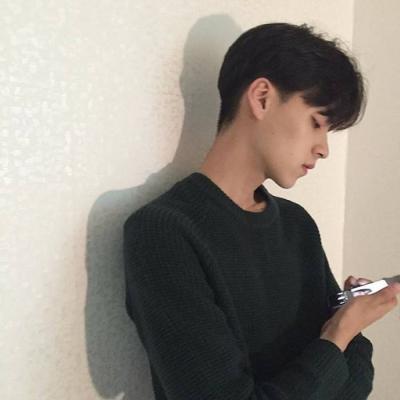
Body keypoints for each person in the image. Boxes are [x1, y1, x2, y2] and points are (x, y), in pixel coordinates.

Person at [123, 22, 400, 399]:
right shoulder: (164, 232)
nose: (323, 149)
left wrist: (347, 326)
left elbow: (355, 385)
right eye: (316, 123)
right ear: (262, 97)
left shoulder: (297, 225)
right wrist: (338, 334)